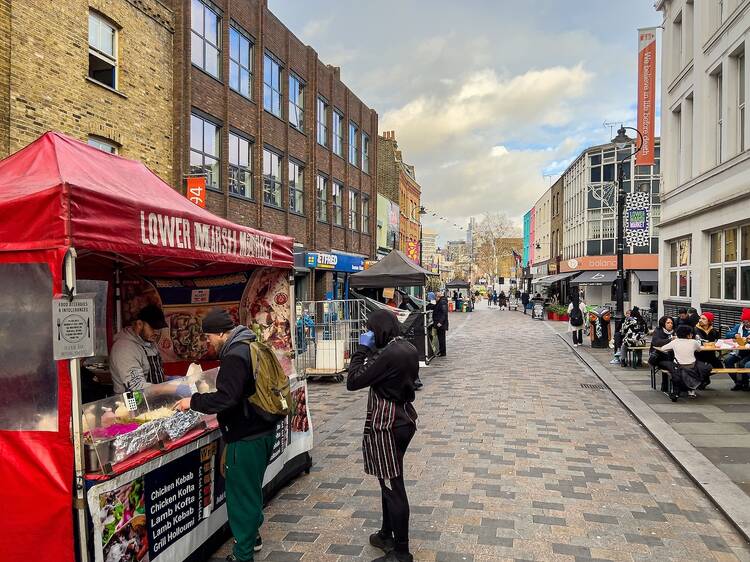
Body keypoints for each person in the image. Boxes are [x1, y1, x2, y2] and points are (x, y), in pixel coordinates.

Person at [174, 308, 277, 562]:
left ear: (221, 333)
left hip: (246, 436)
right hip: (262, 430)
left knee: (241, 498)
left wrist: (193, 402)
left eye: (209, 337)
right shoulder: (251, 343)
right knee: (251, 491)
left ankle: (242, 556)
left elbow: (226, 398)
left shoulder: (234, 355)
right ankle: (252, 538)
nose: (207, 342)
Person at [347, 309, 419, 562]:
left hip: (388, 424)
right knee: (387, 481)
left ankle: (401, 551)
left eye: (370, 329)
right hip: (404, 419)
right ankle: (386, 533)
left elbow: (353, 380)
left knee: (393, 486)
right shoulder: (407, 347)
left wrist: (361, 350)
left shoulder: (388, 354)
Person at [109, 304, 167, 394]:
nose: (157, 332)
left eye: (159, 328)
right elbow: (137, 386)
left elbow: (153, 374)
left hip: (154, 398)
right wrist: (173, 388)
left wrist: (170, 380)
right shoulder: (124, 348)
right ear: (139, 324)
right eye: (153, 327)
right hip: (133, 403)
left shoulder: (149, 342)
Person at [657, 324, 711, 402]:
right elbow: (699, 349)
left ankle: (674, 389)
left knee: (664, 363)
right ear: (688, 335)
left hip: (678, 366)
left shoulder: (675, 342)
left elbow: (663, 348)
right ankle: (691, 389)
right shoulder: (693, 342)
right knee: (702, 364)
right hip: (692, 366)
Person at [649, 316, 676, 392]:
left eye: (671, 323)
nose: (670, 324)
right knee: (669, 362)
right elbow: (656, 343)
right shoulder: (658, 331)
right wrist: (670, 339)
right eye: (668, 323)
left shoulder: (674, 331)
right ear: (663, 323)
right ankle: (666, 385)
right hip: (658, 356)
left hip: (672, 355)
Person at [725, 308, 750, 391]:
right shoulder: (739, 327)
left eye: (748, 321)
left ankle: (745, 384)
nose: (746, 323)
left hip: (748, 353)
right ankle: (738, 382)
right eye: (744, 321)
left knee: (743, 363)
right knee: (727, 361)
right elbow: (727, 334)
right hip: (739, 351)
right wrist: (735, 334)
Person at [694, 312, 723, 380]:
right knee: (701, 367)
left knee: (719, 367)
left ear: (709, 321)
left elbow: (719, 342)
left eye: (703, 319)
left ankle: (702, 378)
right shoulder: (694, 330)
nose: (700, 320)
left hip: (710, 355)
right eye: (700, 318)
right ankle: (702, 380)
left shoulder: (713, 331)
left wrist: (716, 344)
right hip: (698, 355)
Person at [432, 291, 449, 357]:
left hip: (441, 324)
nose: (435, 299)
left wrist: (440, 322)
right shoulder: (441, 302)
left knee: (441, 338)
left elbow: (444, 313)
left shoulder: (442, 302)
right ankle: (441, 351)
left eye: (435, 297)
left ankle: (442, 352)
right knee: (440, 338)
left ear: (437, 297)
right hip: (440, 323)